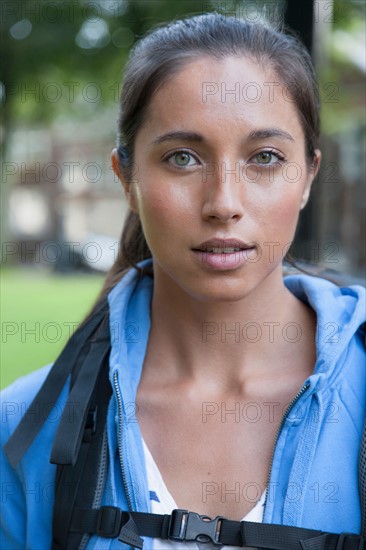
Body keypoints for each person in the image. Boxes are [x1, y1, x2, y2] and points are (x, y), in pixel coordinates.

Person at [1, 12, 365, 550]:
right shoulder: (24, 428)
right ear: (127, 178)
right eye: (182, 158)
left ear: (308, 175)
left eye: (265, 158)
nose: (224, 203)